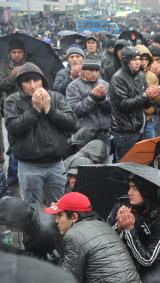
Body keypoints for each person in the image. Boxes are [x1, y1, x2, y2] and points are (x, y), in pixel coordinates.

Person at [4, 62, 77, 207]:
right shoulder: (13, 101)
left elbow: (72, 123)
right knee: (31, 210)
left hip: (56, 164)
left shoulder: (56, 97)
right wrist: (35, 110)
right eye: (27, 81)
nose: (32, 85)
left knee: (58, 208)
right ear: (20, 84)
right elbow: (13, 127)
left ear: (42, 80)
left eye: (36, 80)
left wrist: (49, 109)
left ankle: (55, 231)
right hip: (29, 165)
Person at [45, 192, 141, 283]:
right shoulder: (103, 224)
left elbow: (68, 279)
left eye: (60, 215)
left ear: (74, 217)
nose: (56, 220)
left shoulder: (73, 235)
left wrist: (55, 267)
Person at [108, 176, 160, 283]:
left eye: (135, 188)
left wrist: (130, 229)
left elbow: (148, 260)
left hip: (150, 265)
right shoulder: (121, 203)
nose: (129, 192)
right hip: (121, 260)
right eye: (129, 187)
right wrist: (119, 226)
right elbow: (104, 240)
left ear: (147, 190)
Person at [109, 46, 160, 160]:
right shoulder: (118, 78)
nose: (138, 62)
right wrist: (145, 95)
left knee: (141, 163)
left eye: (139, 59)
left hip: (140, 127)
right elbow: (123, 105)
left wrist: (151, 97)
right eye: (134, 59)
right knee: (125, 165)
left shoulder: (140, 75)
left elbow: (144, 104)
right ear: (126, 61)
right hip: (124, 131)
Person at [66, 57, 111, 147]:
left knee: (105, 160)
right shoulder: (73, 86)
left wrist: (102, 99)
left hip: (103, 134)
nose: (94, 74)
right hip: (84, 135)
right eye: (90, 70)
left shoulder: (105, 84)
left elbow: (111, 109)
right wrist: (92, 98)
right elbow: (76, 110)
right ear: (83, 71)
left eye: (97, 71)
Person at [0, 38, 27, 188]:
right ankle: (13, 174)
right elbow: (1, 85)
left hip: (28, 108)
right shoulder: (3, 67)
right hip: (10, 110)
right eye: (14, 52)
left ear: (23, 54)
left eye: (19, 52)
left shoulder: (30, 66)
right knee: (13, 142)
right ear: (10, 54)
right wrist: (13, 76)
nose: (17, 55)